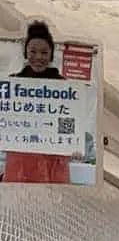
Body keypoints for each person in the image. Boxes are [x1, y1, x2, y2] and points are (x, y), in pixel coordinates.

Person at [3, 20, 71, 185]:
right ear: (26, 53)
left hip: (53, 158)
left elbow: (71, 122)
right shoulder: (13, 83)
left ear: (51, 55)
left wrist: (74, 144)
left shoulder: (65, 87)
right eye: (33, 51)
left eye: (44, 52)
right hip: (20, 157)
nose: (38, 57)